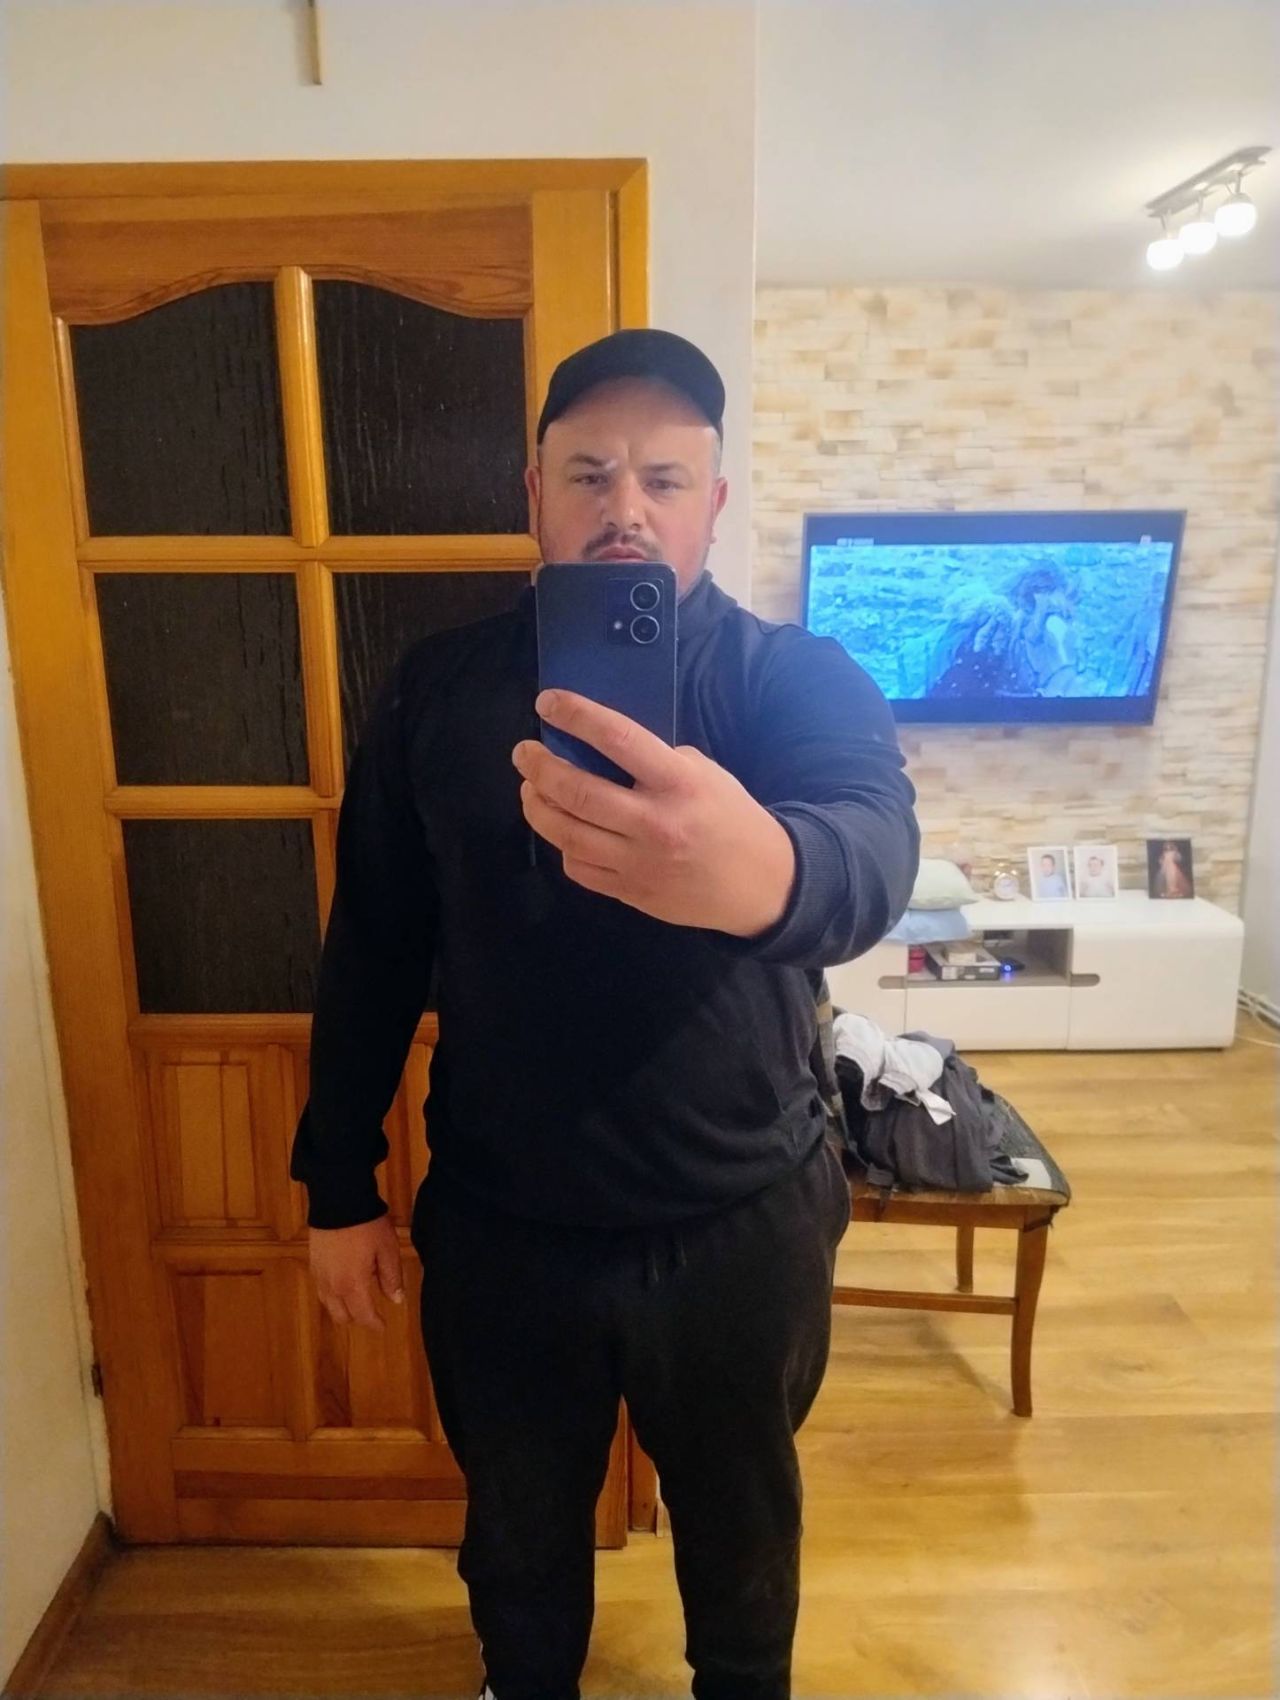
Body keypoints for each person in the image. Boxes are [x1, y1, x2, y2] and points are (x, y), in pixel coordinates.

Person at [289, 328, 921, 1700]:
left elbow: (872, 850)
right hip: (503, 1224)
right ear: (535, 494)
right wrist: (338, 1184)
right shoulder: (436, 688)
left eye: (663, 478)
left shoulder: (795, 678)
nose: (624, 506)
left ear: (713, 503)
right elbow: (375, 945)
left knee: (744, 1537)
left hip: (742, 1217)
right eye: (588, 473)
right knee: (517, 1542)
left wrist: (766, 871)